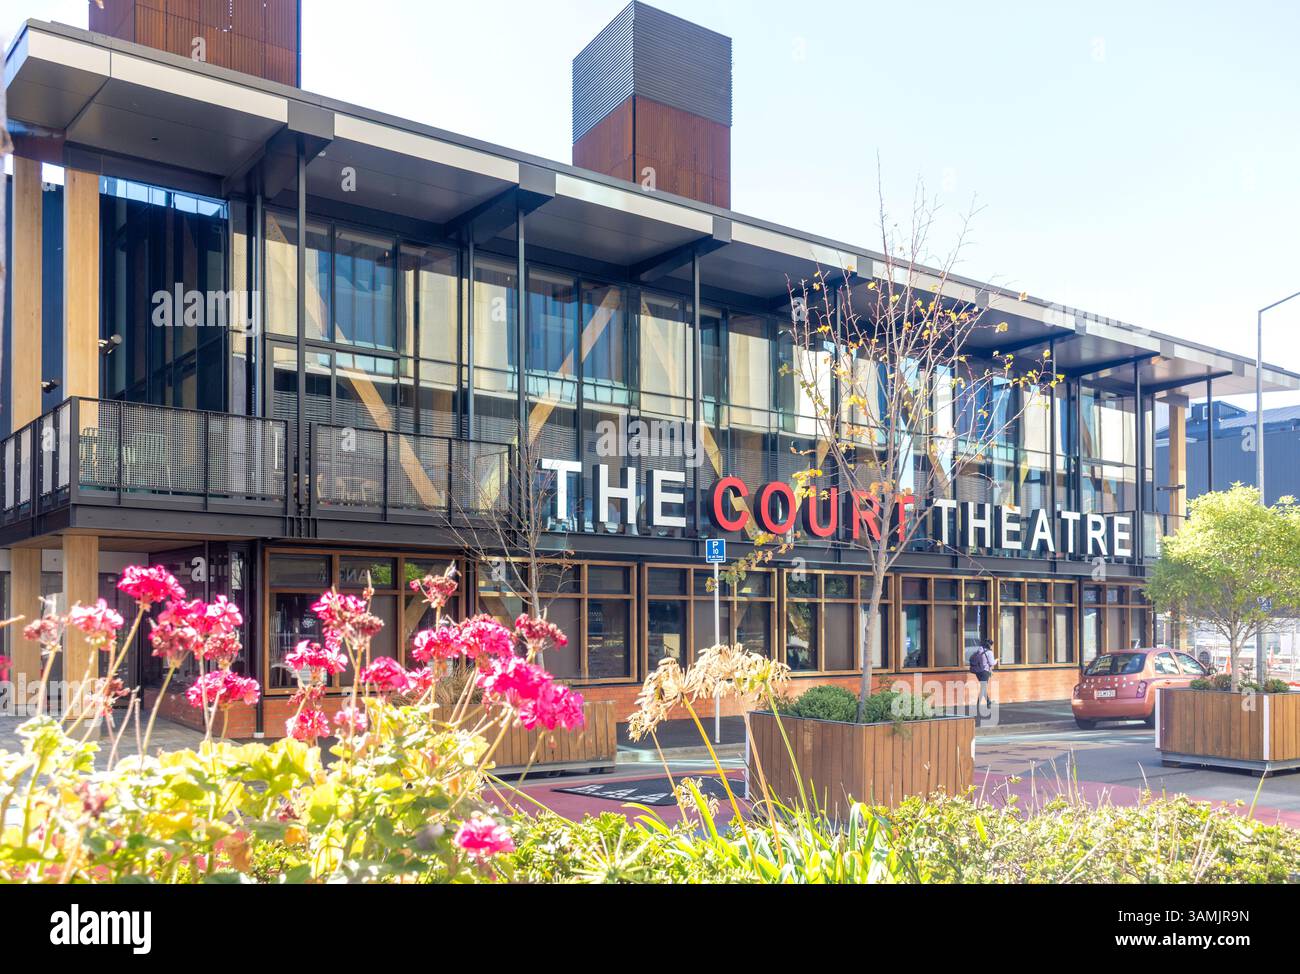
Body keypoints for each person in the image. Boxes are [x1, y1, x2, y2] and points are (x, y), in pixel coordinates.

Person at [970, 638, 996, 712]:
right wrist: (996, 661)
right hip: (985, 672)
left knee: (983, 687)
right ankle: (978, 705)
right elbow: (992, 663)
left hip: (978, 671)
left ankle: (988, 702)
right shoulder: (989, 652)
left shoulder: (979, 650)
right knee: (983, 687)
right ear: (990, 645)